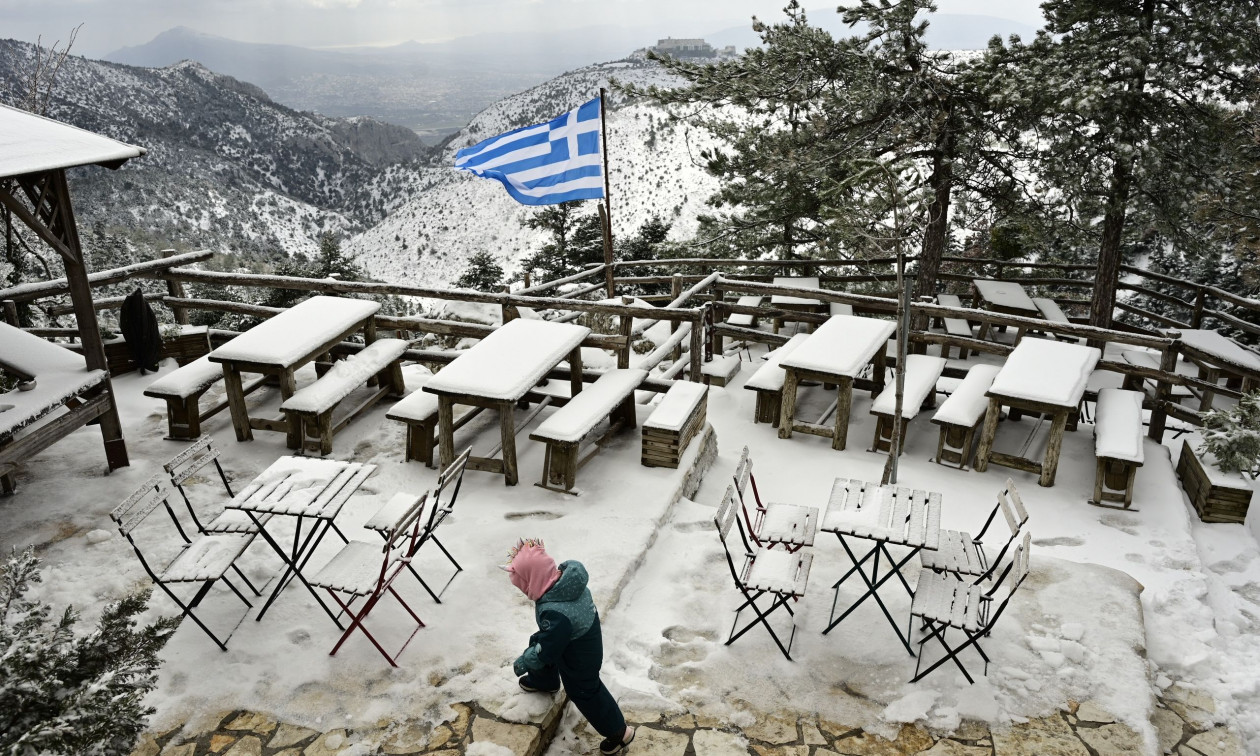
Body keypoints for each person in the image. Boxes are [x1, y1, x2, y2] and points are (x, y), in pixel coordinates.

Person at [504, 538, 635, 755]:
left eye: (523, 586)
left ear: (533, 580)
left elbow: (547, 650)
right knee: (540, 640)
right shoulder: (565, 584)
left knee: (584, 690)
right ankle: (545, 681)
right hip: (579, 640)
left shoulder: (555, 612)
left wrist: (525, 661)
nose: (524, 591)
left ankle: (619, 733)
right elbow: (552, 639)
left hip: (581, 657)